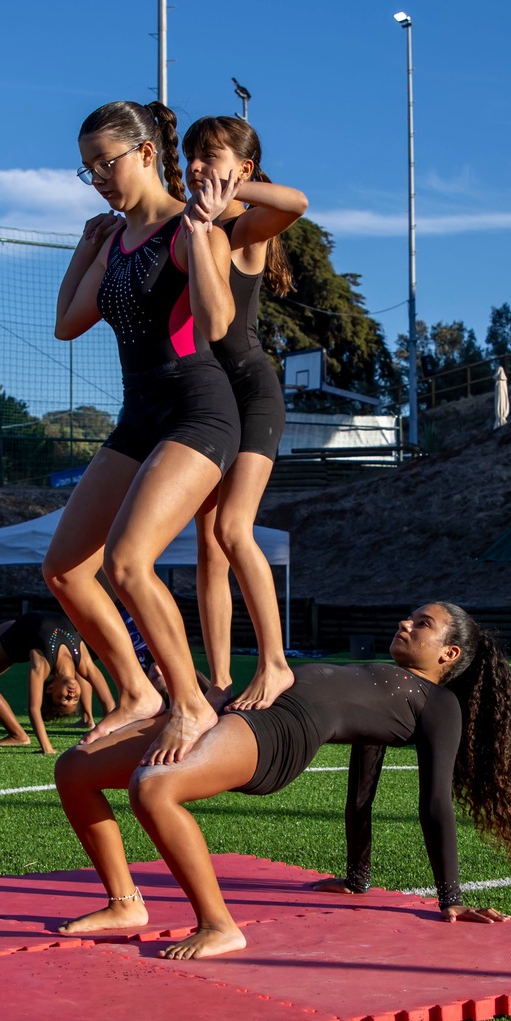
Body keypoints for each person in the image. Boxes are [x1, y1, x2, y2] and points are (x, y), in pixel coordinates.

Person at [51, 603, 511, 959]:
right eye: (409, 617)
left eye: (422, 623)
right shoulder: (382, 679)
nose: (404, 623)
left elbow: (435, 805)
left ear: (449, 653)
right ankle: (125, 903)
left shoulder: (439, 704)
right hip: (239, 709)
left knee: (154, 786)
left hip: (278, 732)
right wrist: (357, 879)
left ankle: (219, 926)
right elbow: (361, 793)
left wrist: (452, 899)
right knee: (74, 769)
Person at [45, 101, 238, 761]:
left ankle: (189, 700)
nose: (99, 176)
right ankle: (137, 690)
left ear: (148, 154)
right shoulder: (118, 238)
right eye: (88, 168)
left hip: (197, 411)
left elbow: (213, 324)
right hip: (139, 415)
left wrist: (207, 235)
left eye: (108, 162)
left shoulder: (186, 229)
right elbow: (67, 323)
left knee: (128, 562)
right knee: (65, 569)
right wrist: (85, 246)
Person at [181, 116, 309, 712]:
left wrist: (232, 190)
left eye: (210, 156)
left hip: (253, 392)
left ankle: (277, 664)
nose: (197, 168)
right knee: (207, 544)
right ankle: (220, 680)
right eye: (190, 158)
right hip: (207, 400)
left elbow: (297, 201)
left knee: (234, 528)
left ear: (244, 169)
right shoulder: (192, 227)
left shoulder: (243, 228)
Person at [0, 610, 114, 755]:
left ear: (50, 689)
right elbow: (108, 702)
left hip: (20, 636)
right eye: (75, 699)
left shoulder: (42, 664)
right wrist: (110, 738)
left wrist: (47, 747)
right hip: (32, 619)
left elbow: (34, 709)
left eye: (64, 698)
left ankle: (18, 735)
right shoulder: (83, 661)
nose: (71, 694)